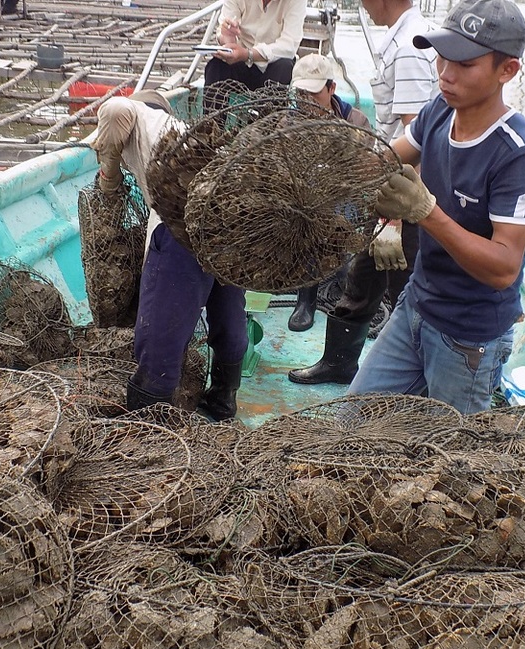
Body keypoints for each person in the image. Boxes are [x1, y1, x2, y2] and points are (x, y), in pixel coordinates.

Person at [347, 0, 525, 414]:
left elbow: (504, 267)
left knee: (454, 457)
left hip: (468, 337)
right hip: (416, 307)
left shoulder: (520, 154)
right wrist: (339, 162)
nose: (446, 74)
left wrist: (426, 212)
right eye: (442, 57)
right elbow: (390, 157)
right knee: (353, 419)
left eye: (465, 64)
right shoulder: (441, 109)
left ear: (506, 71)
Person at [288, 0, 438, 383]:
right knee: (364, 276)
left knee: (412, 291)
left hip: (406, 195)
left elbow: (415, 136)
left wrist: (396, 218)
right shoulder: (401, 39)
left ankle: (424, 378)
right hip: (388, 187)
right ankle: (339, 365)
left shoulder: (408, 48)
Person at [93, 90, 249, 419]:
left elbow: (116, 109)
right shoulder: (179, 129)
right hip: (232, 223)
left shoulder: (132, 111)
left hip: (185, 222)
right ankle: (223, 399)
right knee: (228, 309)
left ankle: (149, 421)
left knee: (161, 326)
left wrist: (109, 175)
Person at [286, 52, 373, 332]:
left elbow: (364, 176)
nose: (307, 101)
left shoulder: (356, 122)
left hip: (344, 201)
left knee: (341, 213)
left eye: (314, 93)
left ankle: (345, 278)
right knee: (302, 212)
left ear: (331, 88)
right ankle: (306, 298)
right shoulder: (286, 125)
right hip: (304, 204)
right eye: (301, 94)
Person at [203, 0, 307, 115]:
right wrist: (228, 38)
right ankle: (210, 127)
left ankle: (266, 129)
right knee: (216, 66)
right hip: (240, 60)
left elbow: (289, 46)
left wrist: (249, 54)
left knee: (285, 66)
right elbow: (224, 29)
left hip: (272, 65)